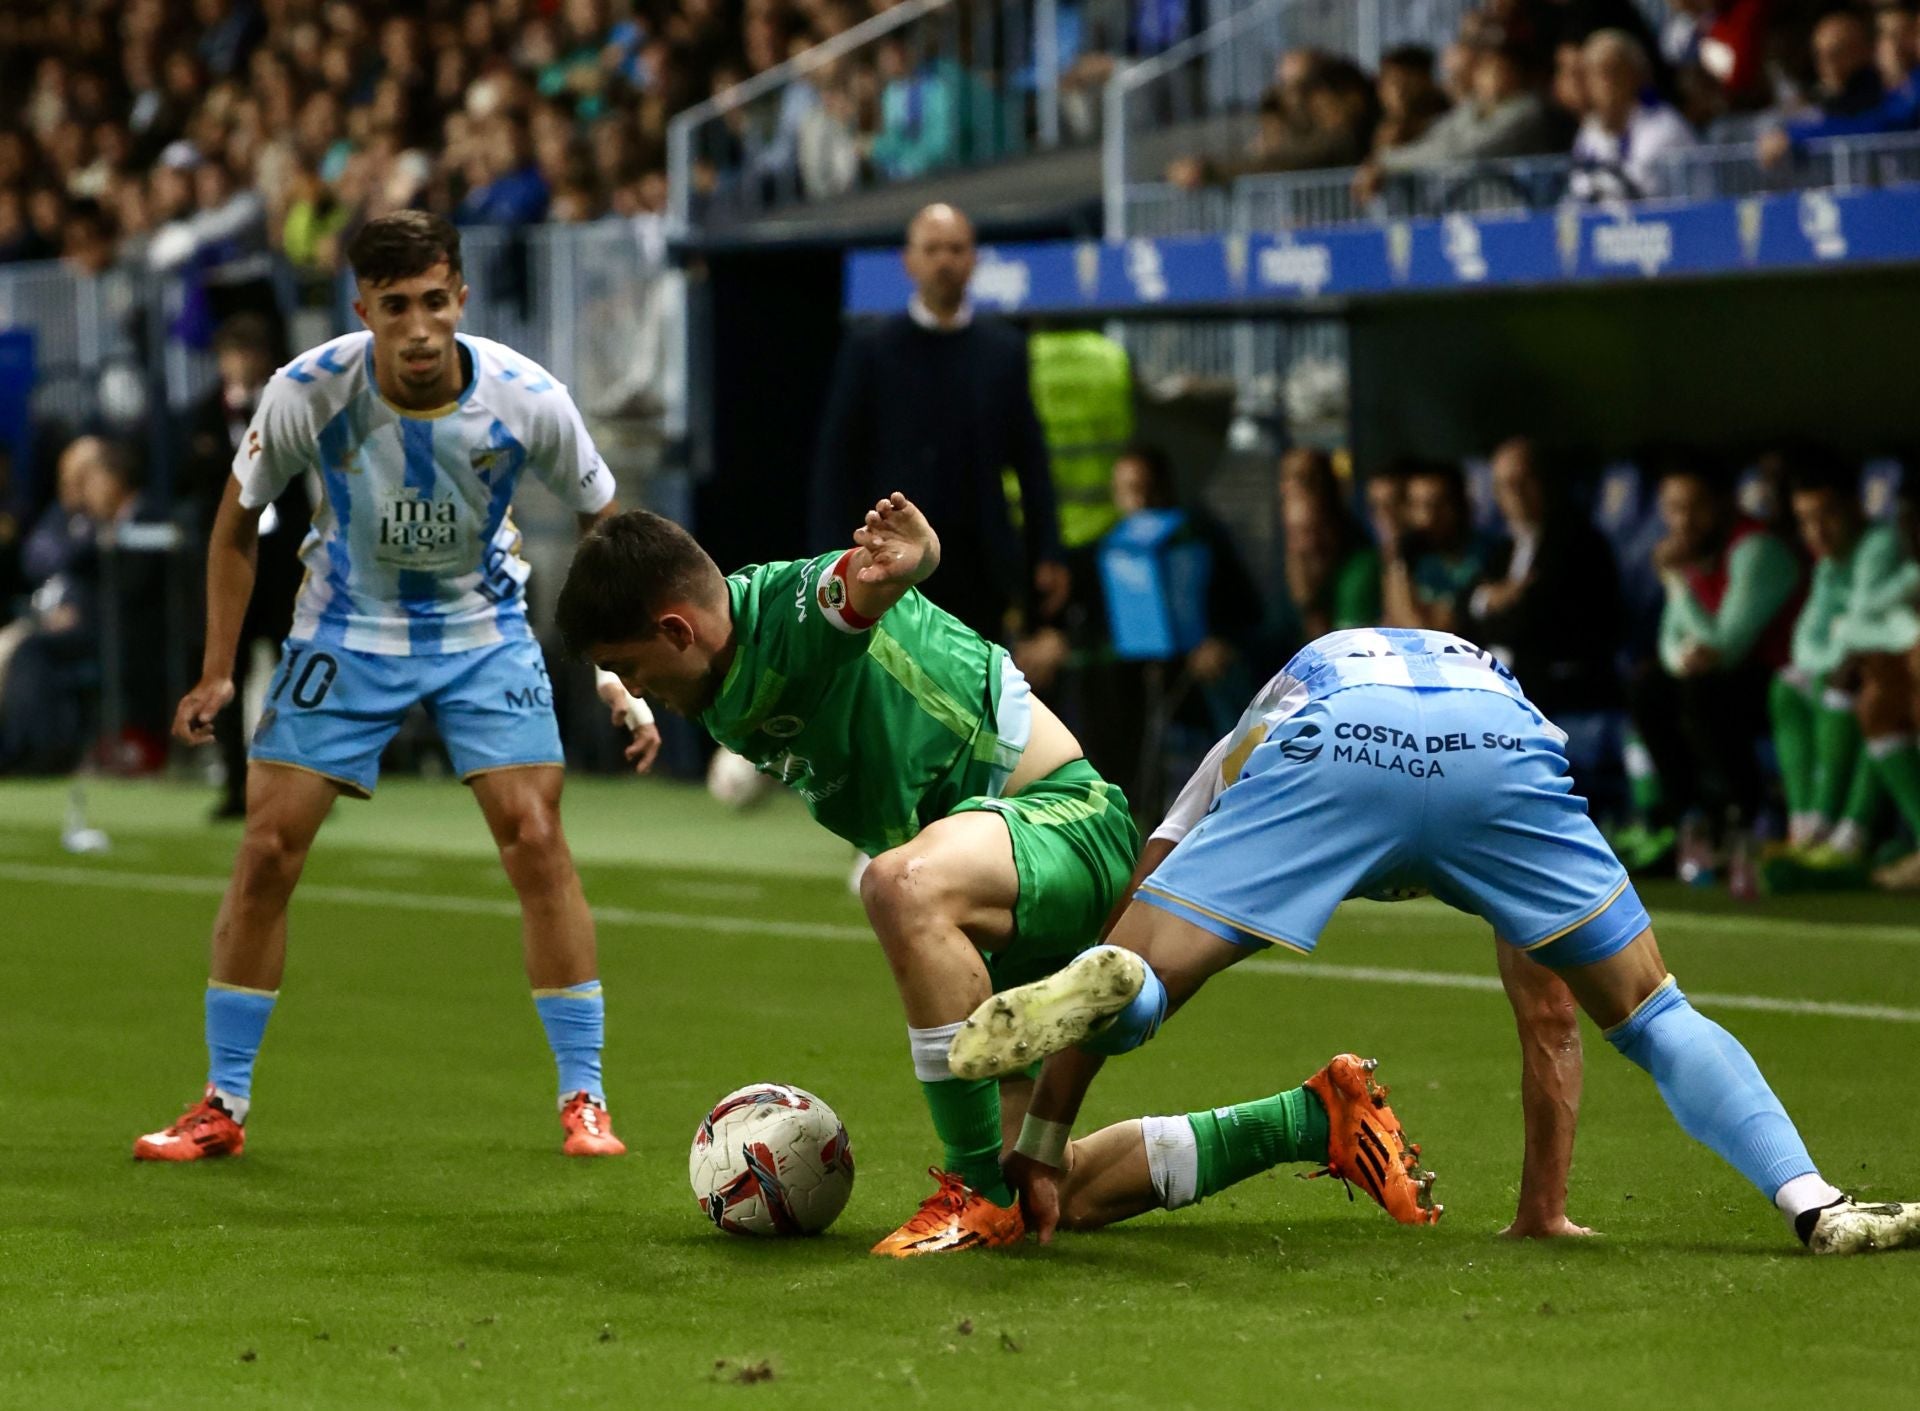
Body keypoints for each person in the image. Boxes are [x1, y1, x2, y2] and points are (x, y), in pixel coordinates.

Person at [559, 495, 1429, 1254]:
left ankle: (970, 1191)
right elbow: (681, 633)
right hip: (991, 883)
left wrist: (912, 561)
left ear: (676, 630)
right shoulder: (708, 659)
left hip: (1063, 823)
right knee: (1054, 1190)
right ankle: (1318, 1117)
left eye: (634, 667)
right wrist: (632, 695)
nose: (641, 687)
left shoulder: (788, 611)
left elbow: (851, 591)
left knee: (897, 885)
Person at [955, 627, 1920, 1258]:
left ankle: (1148, 1001)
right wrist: (1542, 1206)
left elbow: (1129, 922)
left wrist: (1044, 1136)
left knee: (1142, 976)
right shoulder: (1491, 675)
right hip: (1491, 747)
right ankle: (1815, 1201)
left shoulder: (1269, 707)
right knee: (1654, 1009)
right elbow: (1548, 1012)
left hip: (1337, 740)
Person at [132, 212, 661, 1164]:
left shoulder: (528, 396)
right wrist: (217, 670)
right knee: (266, 852)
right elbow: (234, 524)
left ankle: (585, 1096)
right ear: (362, 309)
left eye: (432, 303)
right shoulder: (305, 392)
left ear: (459, 296)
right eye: (393, 309)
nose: (417, 330)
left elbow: (604, 527)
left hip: (481, 628)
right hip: (345, 628)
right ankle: (222, 1101)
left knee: (536, 839)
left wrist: (616, 672)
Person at [810, 204, 1067, 645]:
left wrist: (1049, 550)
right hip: (890, 561)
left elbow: (1030, 458)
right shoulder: (871, 349)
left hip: (981, 565)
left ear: (974, 260)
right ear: (909, 261)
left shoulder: (1004, 351)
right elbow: (837, 459)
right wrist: (830, 560)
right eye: (932, 249)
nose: (944, 261)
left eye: (955, 249)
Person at [1632, 458, 1800, 886]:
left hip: (1778, 682)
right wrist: (1682, 660)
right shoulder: (1691, 557)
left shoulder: (1756, 550)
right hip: (1717, 680)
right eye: (1673, 508)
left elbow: (1727, 646)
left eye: (1696, 507)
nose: (1683, 521)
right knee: (1649, 686)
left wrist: (1674, 580)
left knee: (1701, 692)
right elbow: (1671, 641)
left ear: (1724, 504)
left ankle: (1743, 819)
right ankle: (1687, 821)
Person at [177, 313, 313, 821]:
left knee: (296, 672)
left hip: (282, 563)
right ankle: (236, 784)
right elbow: (194, 482)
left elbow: (301, 478)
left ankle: (303, 783)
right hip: (233, 561)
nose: (239, 364)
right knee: (223, 672)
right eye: (231, 354)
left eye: (247, 353)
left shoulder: (290, 409)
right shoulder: (202, 417)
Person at [1767, 461, 1920, 879]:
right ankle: (1812, 828)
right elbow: (1808, 643)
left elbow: (1873, 625)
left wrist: (1849, 641)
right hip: (1873, 668)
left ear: (1856, 509)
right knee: (1820, 686)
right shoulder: (1831, 563)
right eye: (1805, 521)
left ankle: (1848, 833)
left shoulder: (1882, 547)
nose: (1817, 531)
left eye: (1827, 515)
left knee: (1866, 684)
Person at [1566, 29, 1696, 202]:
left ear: (1637, 75)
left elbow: (1636, 192)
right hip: (1616, 227)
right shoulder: (1590, 130)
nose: (1603, 84)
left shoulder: (1664, 125)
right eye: (1593, 74)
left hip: (1681, 224)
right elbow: (1579, 190)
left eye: (1611, 72)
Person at [1381, 460, 1486, 634]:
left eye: (1438, 505)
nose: (1428, 516)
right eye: (1417, 505)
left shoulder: (1485, 554)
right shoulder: (1407, 558)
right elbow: (1405, 625)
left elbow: (1444, 628)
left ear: (1460, 505)